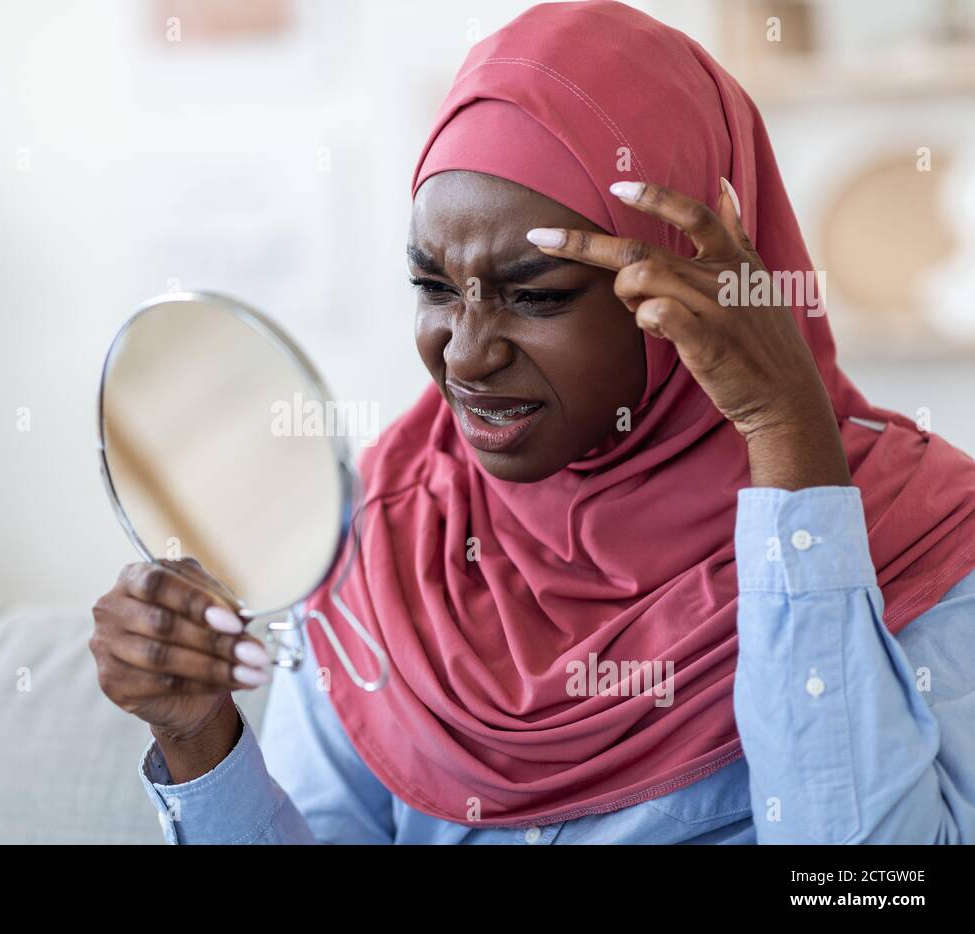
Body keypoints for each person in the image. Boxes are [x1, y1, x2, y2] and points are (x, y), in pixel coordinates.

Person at [89, 0, 975, 843]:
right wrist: (199, 735)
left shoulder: (923, 542)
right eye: (433, 287)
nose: (465, 356)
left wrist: (788, 438)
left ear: (696, 290)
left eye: (537, 295)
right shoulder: (391, 536)